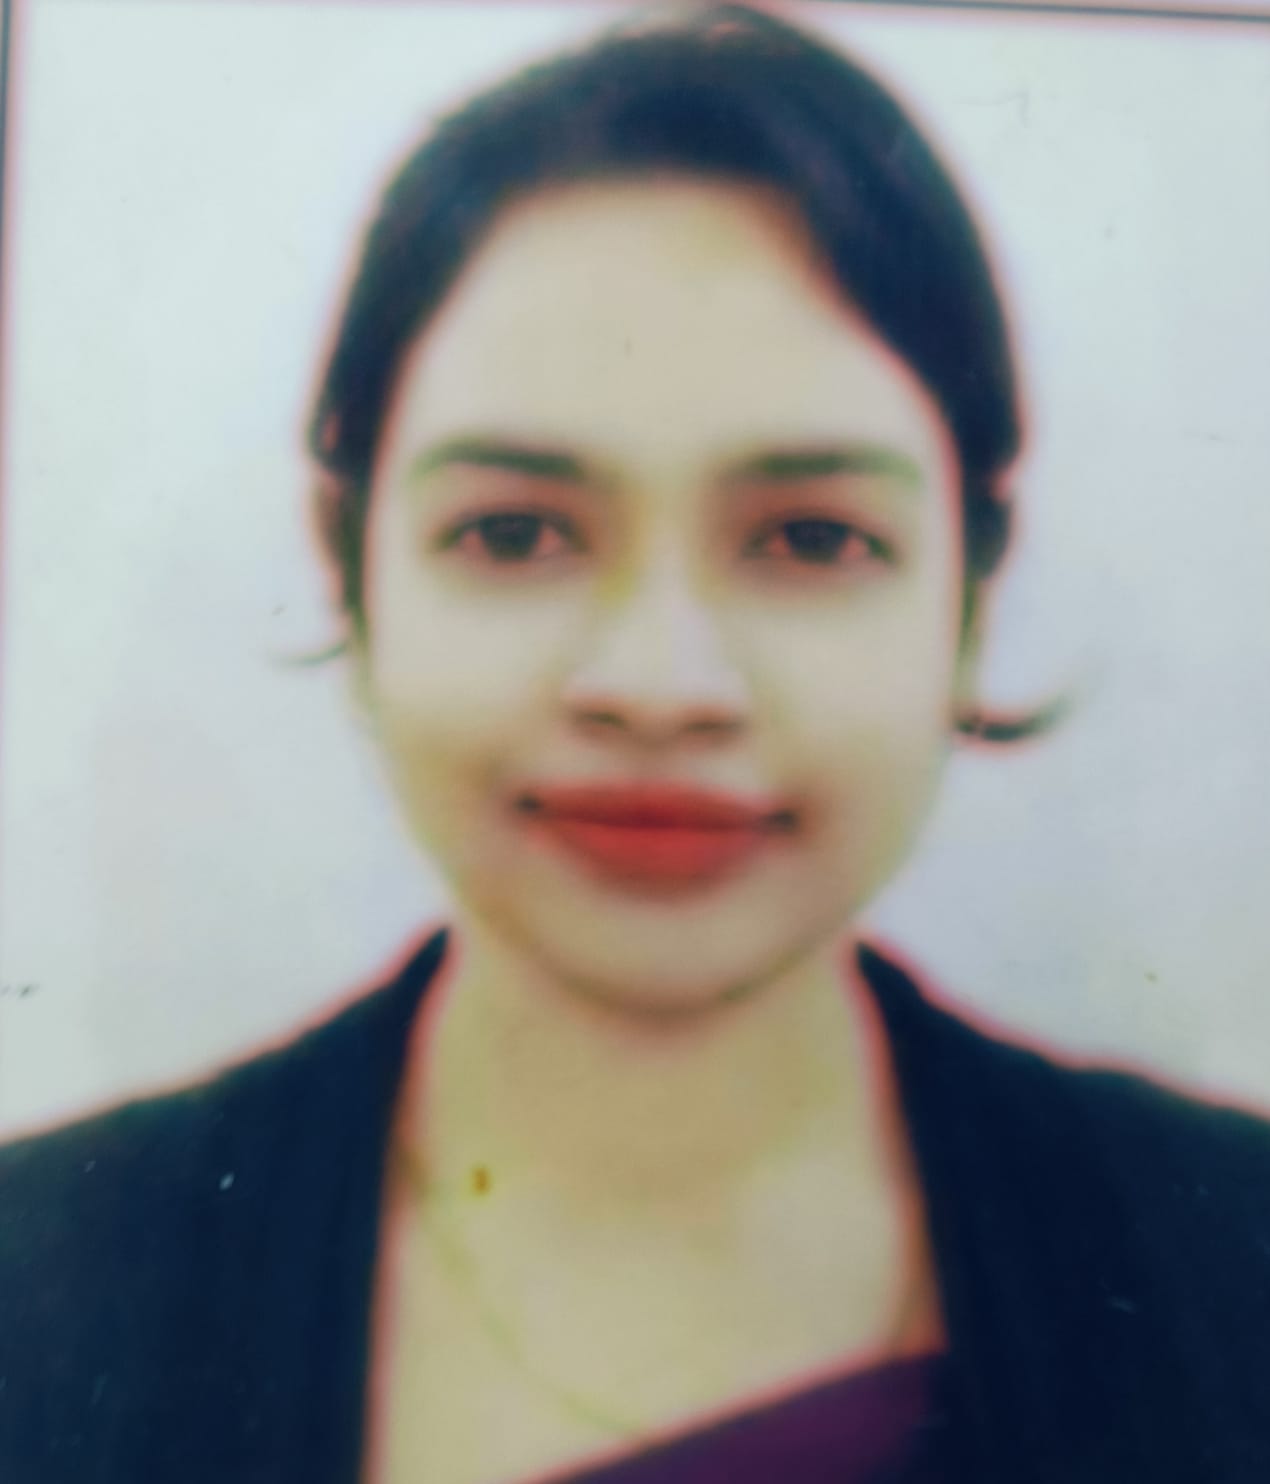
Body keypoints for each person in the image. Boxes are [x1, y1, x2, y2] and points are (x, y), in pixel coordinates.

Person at [2, 6, 1269, 1483]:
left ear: (969, 596)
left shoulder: (1232, 1263)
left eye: (810, 537)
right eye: (514, 532)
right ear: (350, 566)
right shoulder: (40, 1288)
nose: (661, 686)